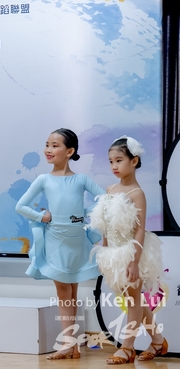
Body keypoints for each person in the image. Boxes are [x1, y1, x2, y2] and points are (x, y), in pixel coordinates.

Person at [15, 128, 104, 359]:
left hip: (77, 240)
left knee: (71, 291)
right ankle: (68, 343)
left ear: (69, 151)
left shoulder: (81, 179)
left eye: (55, 145)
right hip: (56, 240)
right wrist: (41, 216)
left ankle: (71, 344)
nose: (48, 149)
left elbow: (104, 200)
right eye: (47, 144)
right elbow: (20, 206)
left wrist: (85, 213)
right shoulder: (43, 179)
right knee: (64, 290)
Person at [89, 136, 165, 364]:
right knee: (133, 299)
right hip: (113, 254)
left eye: (119, 160)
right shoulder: (110, 188)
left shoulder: (136, 193)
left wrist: (134, 261)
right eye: (111, 161)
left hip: (130, 252)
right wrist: (104, 250)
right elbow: (105, 223)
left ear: (134, 161)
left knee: (133, 300)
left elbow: (139, 230)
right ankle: (158, 341)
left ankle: (127, 347)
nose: (114, 166)